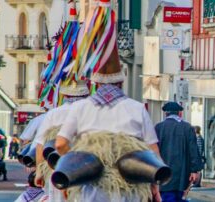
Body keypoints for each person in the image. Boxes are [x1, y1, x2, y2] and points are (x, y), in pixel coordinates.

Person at [54, 4, 162, 198]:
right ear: (121, 81)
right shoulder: (136, 109)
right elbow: (153, 152)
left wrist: (76, 163)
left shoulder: (81, 107)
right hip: (129, 187)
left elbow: (61, 144)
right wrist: (155, 188)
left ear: (94, 83)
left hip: (91, 187)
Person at [154, 102, 202, 201]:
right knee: (180, 197)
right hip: (182, 174)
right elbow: (193, 150)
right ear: (179, 113)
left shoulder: (158, 127)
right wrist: (194, 170)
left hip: (164, 174)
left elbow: (153, 151)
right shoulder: (187, 127)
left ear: (165, 114)